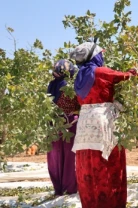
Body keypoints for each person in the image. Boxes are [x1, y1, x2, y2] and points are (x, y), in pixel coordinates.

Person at [69, 41, 138, 208]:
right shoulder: (100, 72)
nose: (102, 56)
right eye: (100, 54)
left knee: (89, 165)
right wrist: (134, 71)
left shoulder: (80, 77)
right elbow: (126, 76)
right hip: (103, 123)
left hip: (85, 124)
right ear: (94, 56)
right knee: (107, 164)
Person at [47, 59, 79, 196]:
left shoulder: (52, 85)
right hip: (70, 123)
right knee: (70, 155)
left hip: (53, 123)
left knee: (55, 155)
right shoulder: (69, 85)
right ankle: (70, 187)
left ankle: (59, 187)